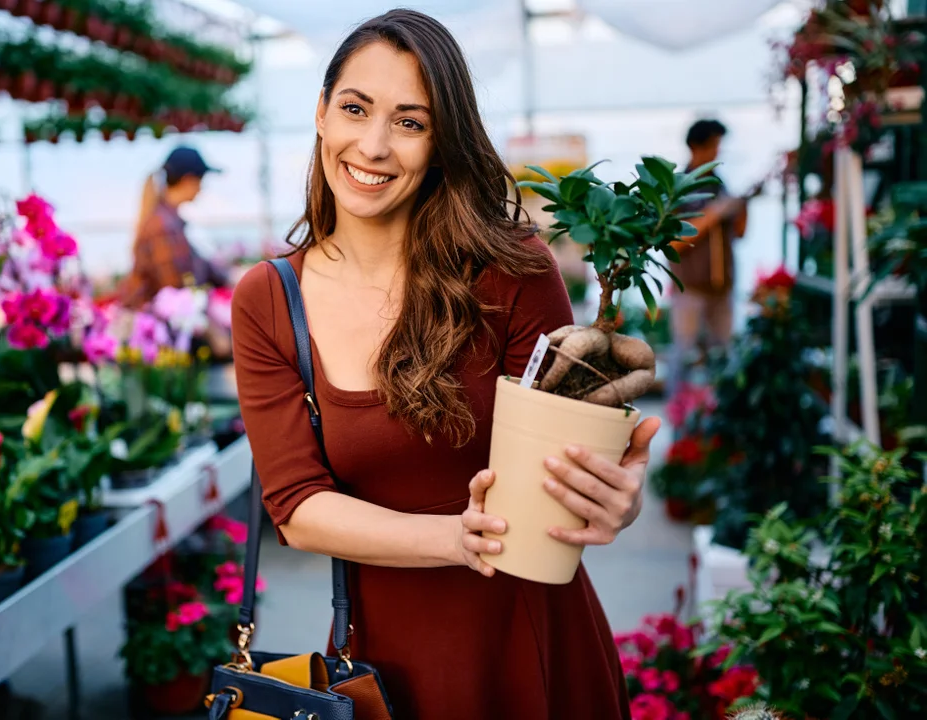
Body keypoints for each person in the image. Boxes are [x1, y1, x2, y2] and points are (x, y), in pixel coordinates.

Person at [231, 10, 659, 719]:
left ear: (441, 141)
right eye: (355, 109)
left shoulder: (512, 270)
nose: (373, 145)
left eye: (410, 122)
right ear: (320, 112)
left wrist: (613, 497)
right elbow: (298, 508)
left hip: (531, 641)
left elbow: (565, 468)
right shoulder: (270, 300)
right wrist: (454, 539)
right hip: (381, 672)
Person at [667, 119, 761, 389]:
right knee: (683, 356)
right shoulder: (679, 187)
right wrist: (715, 213)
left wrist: (743, 205)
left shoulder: (719, 185)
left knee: (723, 358)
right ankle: (678, 422)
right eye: (714, 145)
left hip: (722, 287)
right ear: (696, 146)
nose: (717, 153)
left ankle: (714, 420)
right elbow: (673, 243)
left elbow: (739, 234)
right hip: (690, 288)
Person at [118, 146, 231, 308]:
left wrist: (230, 277)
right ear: (188, 180)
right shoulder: (162, 226)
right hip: (161, 326)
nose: (201, 188)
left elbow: (202, 269)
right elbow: (176, 292)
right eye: (200, 180)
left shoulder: (170, 222)